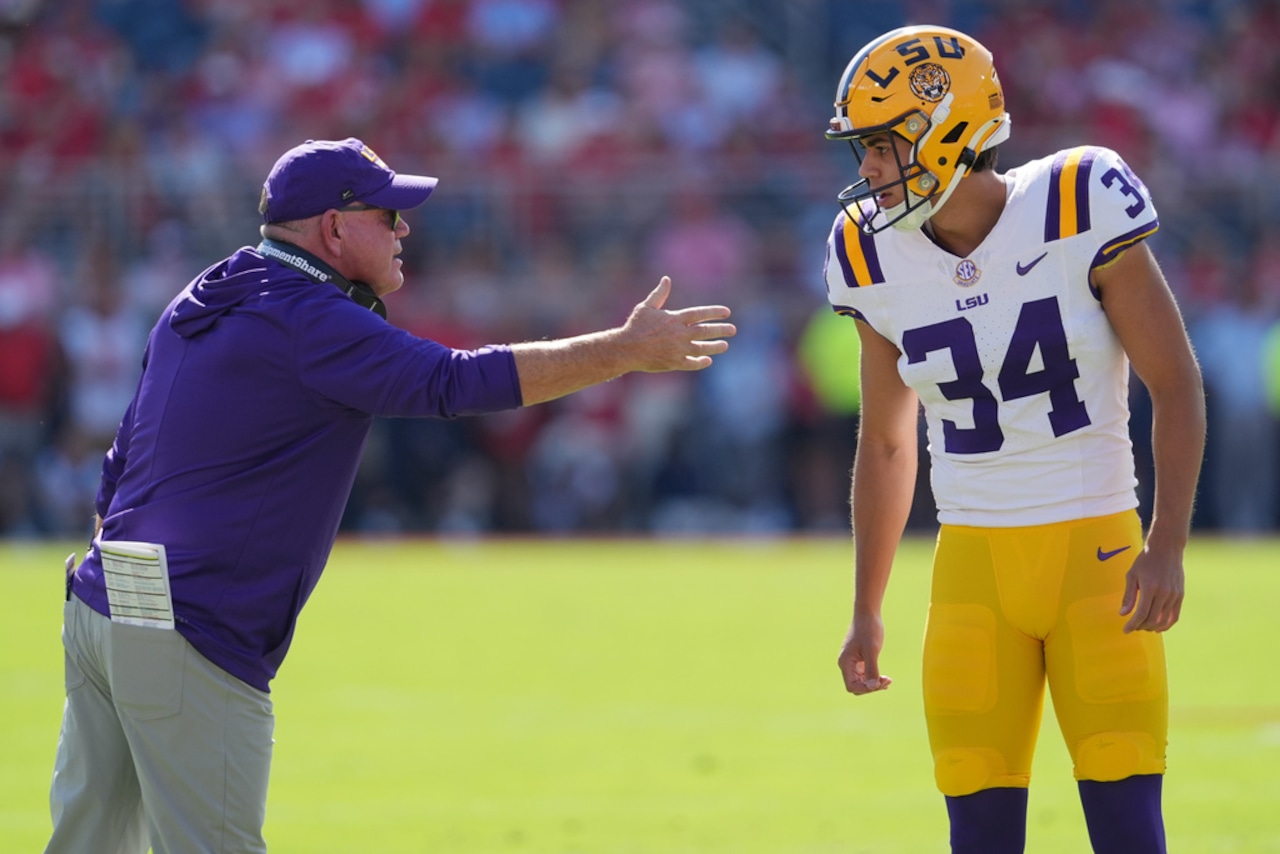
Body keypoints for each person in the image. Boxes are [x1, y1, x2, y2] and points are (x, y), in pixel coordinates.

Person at [45, 136, 735, 854]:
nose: (405, 229)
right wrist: (621, 350)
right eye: (387, 214)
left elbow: (119, 458)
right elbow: (457, 382)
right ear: (334, 229)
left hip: (101, 599)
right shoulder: (310, 316)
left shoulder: (211, 287)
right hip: (188, 621)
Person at [821, 26, 1204, 854]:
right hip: (972, 573)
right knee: (979, 834)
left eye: (882, 146)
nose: (868, 171)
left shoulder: (1079, 198)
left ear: (946, 127)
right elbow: (888, 443)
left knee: (1128, 830)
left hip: (1099, 561)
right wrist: (866, 606)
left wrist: (1167, 543)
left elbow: (1175, 383)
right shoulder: (867, 253)